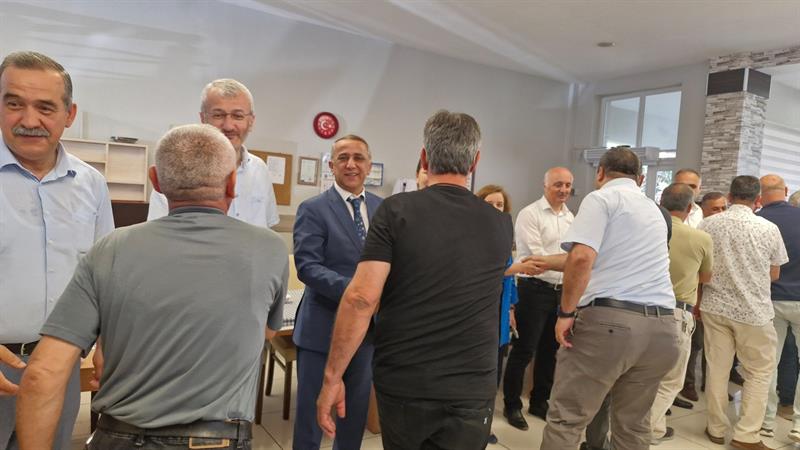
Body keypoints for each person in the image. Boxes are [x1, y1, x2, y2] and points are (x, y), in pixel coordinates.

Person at [16, 124, 287, 449]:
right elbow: (266, 332)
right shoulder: (269, 249)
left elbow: (43, 373)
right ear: (232, 183)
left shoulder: (110, 249)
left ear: (155, 181)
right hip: (217, 439)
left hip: (118, 437)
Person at [317, 110, 512, 450]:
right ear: (475, 162)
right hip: (471, 383)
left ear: (424, 157)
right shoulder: (501, 223)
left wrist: (333, 376)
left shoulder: (395, 211)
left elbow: (361, 298)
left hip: (408, 380)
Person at [0, 50, 114, 449]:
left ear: (69, 114)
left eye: (45, 107)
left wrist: (106, 343)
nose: (29, 120)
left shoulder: (91, 184)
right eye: (14, 104)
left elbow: (105, 274)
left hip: (60, 364)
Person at [539, 147, 679, 450]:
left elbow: (581, 258)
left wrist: (566, 313)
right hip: (664, 329)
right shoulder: (656, 211)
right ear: (641, 178)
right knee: (633, 425)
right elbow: (610, 258)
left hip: (612, 324)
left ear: (600, 172)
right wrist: (543, 261)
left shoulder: (601, 198)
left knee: (568, 419)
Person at [292, 134, 382, 449]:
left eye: (358, 158)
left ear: (369, 165)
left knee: (353, 415)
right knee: (311, 417)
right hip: (322, 328)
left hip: (366, 333)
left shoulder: (383, 209)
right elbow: (307, 266)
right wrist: (359, 292)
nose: (351, 164)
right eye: (343, 158)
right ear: (331, 166)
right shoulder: (313, 209)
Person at [699, 175, 788, 449]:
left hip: (715, 306)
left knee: (717, 369)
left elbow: (701, 265)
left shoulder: (708, 224)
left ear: (729, 196)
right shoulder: (769, 228)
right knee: (759, 372)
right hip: (753, 312)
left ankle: (715, 428)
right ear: (758, 199)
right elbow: (775, 272)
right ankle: (746, 434)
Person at [147, 78, 279, 228]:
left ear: (251, 122)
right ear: (203, 118)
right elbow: (159, 230)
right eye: (218, 115)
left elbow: (269, 224)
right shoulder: (176, 168)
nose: (228, 126)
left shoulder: (260, 169)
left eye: (238, 116)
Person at [502, 167, 574, 430]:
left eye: (567, 185)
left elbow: (574, 256)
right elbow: (537, 259)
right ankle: (512, 404)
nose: (563, 190)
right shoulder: (530, 214)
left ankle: (539, 401)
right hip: (533, 290)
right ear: (545, 186)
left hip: (561, 291)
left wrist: (567, 263)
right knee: (524, 349)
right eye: (558, 184)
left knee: (550, 351)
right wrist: (568, 262)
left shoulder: (571, 218)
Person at [648, 183, 714, 444]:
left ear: (661, 203)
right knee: (671, 380)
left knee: (643, 375)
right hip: (677, 312)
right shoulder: (700, 238)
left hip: (643, 308)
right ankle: (647, 429)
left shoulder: (648, 230)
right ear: (690, 207)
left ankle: (654, 427)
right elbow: (706, 277)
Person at [476, 184, 541, 445]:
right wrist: (519, 268)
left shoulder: (503, 237)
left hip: (500, 317)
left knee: (493, 376)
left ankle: (485, 425)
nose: (495, 209)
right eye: (490, 204)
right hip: (478, 317)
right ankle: (473, 427)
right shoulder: (471, 236)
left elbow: (509, 282)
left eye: (500, 205)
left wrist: (512, 308)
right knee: (477, 377)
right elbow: (482, 271)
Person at [758, 174, 800, 442]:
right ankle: (798, 425)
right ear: (785, 190)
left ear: (759, 194)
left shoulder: (758, 221)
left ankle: (766, 422)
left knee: (768, 364)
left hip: (770, 300)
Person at [680, 190, 729, 402]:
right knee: (696, 343)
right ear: (704, 210)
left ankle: (711, 384)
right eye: (715, 209)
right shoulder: (699, 230)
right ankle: (688, 383)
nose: (720, 212)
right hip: (699, 293)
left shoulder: (729, 230)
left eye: (723, 208)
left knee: (716, 347)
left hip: (722, 296)